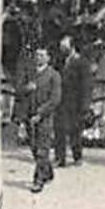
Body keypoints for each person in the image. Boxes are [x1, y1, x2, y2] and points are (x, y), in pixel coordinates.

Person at [25, 47, 62, 193]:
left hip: (45, 117)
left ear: (48, 58)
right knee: (34, 147)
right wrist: (27, 88)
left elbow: (55, 99)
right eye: (37, 55)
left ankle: (38, 179)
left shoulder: (54, 75)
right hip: (30, 116)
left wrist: (40, 113)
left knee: (42, 148)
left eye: (42, 55)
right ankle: (47, 171)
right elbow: (21, 91)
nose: (38, 57)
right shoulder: (31, 73)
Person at [55, 36, 92, 168]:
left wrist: (85, 105)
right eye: (61, 47)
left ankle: (77, 156)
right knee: (59, 129)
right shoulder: (59, 61)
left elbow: (86, 85)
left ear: (72, 47)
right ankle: (60, 158)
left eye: (64, 47)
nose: (62, 50)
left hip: (76, 102)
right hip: (61, 101)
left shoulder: (82, 62)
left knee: (75, 131)